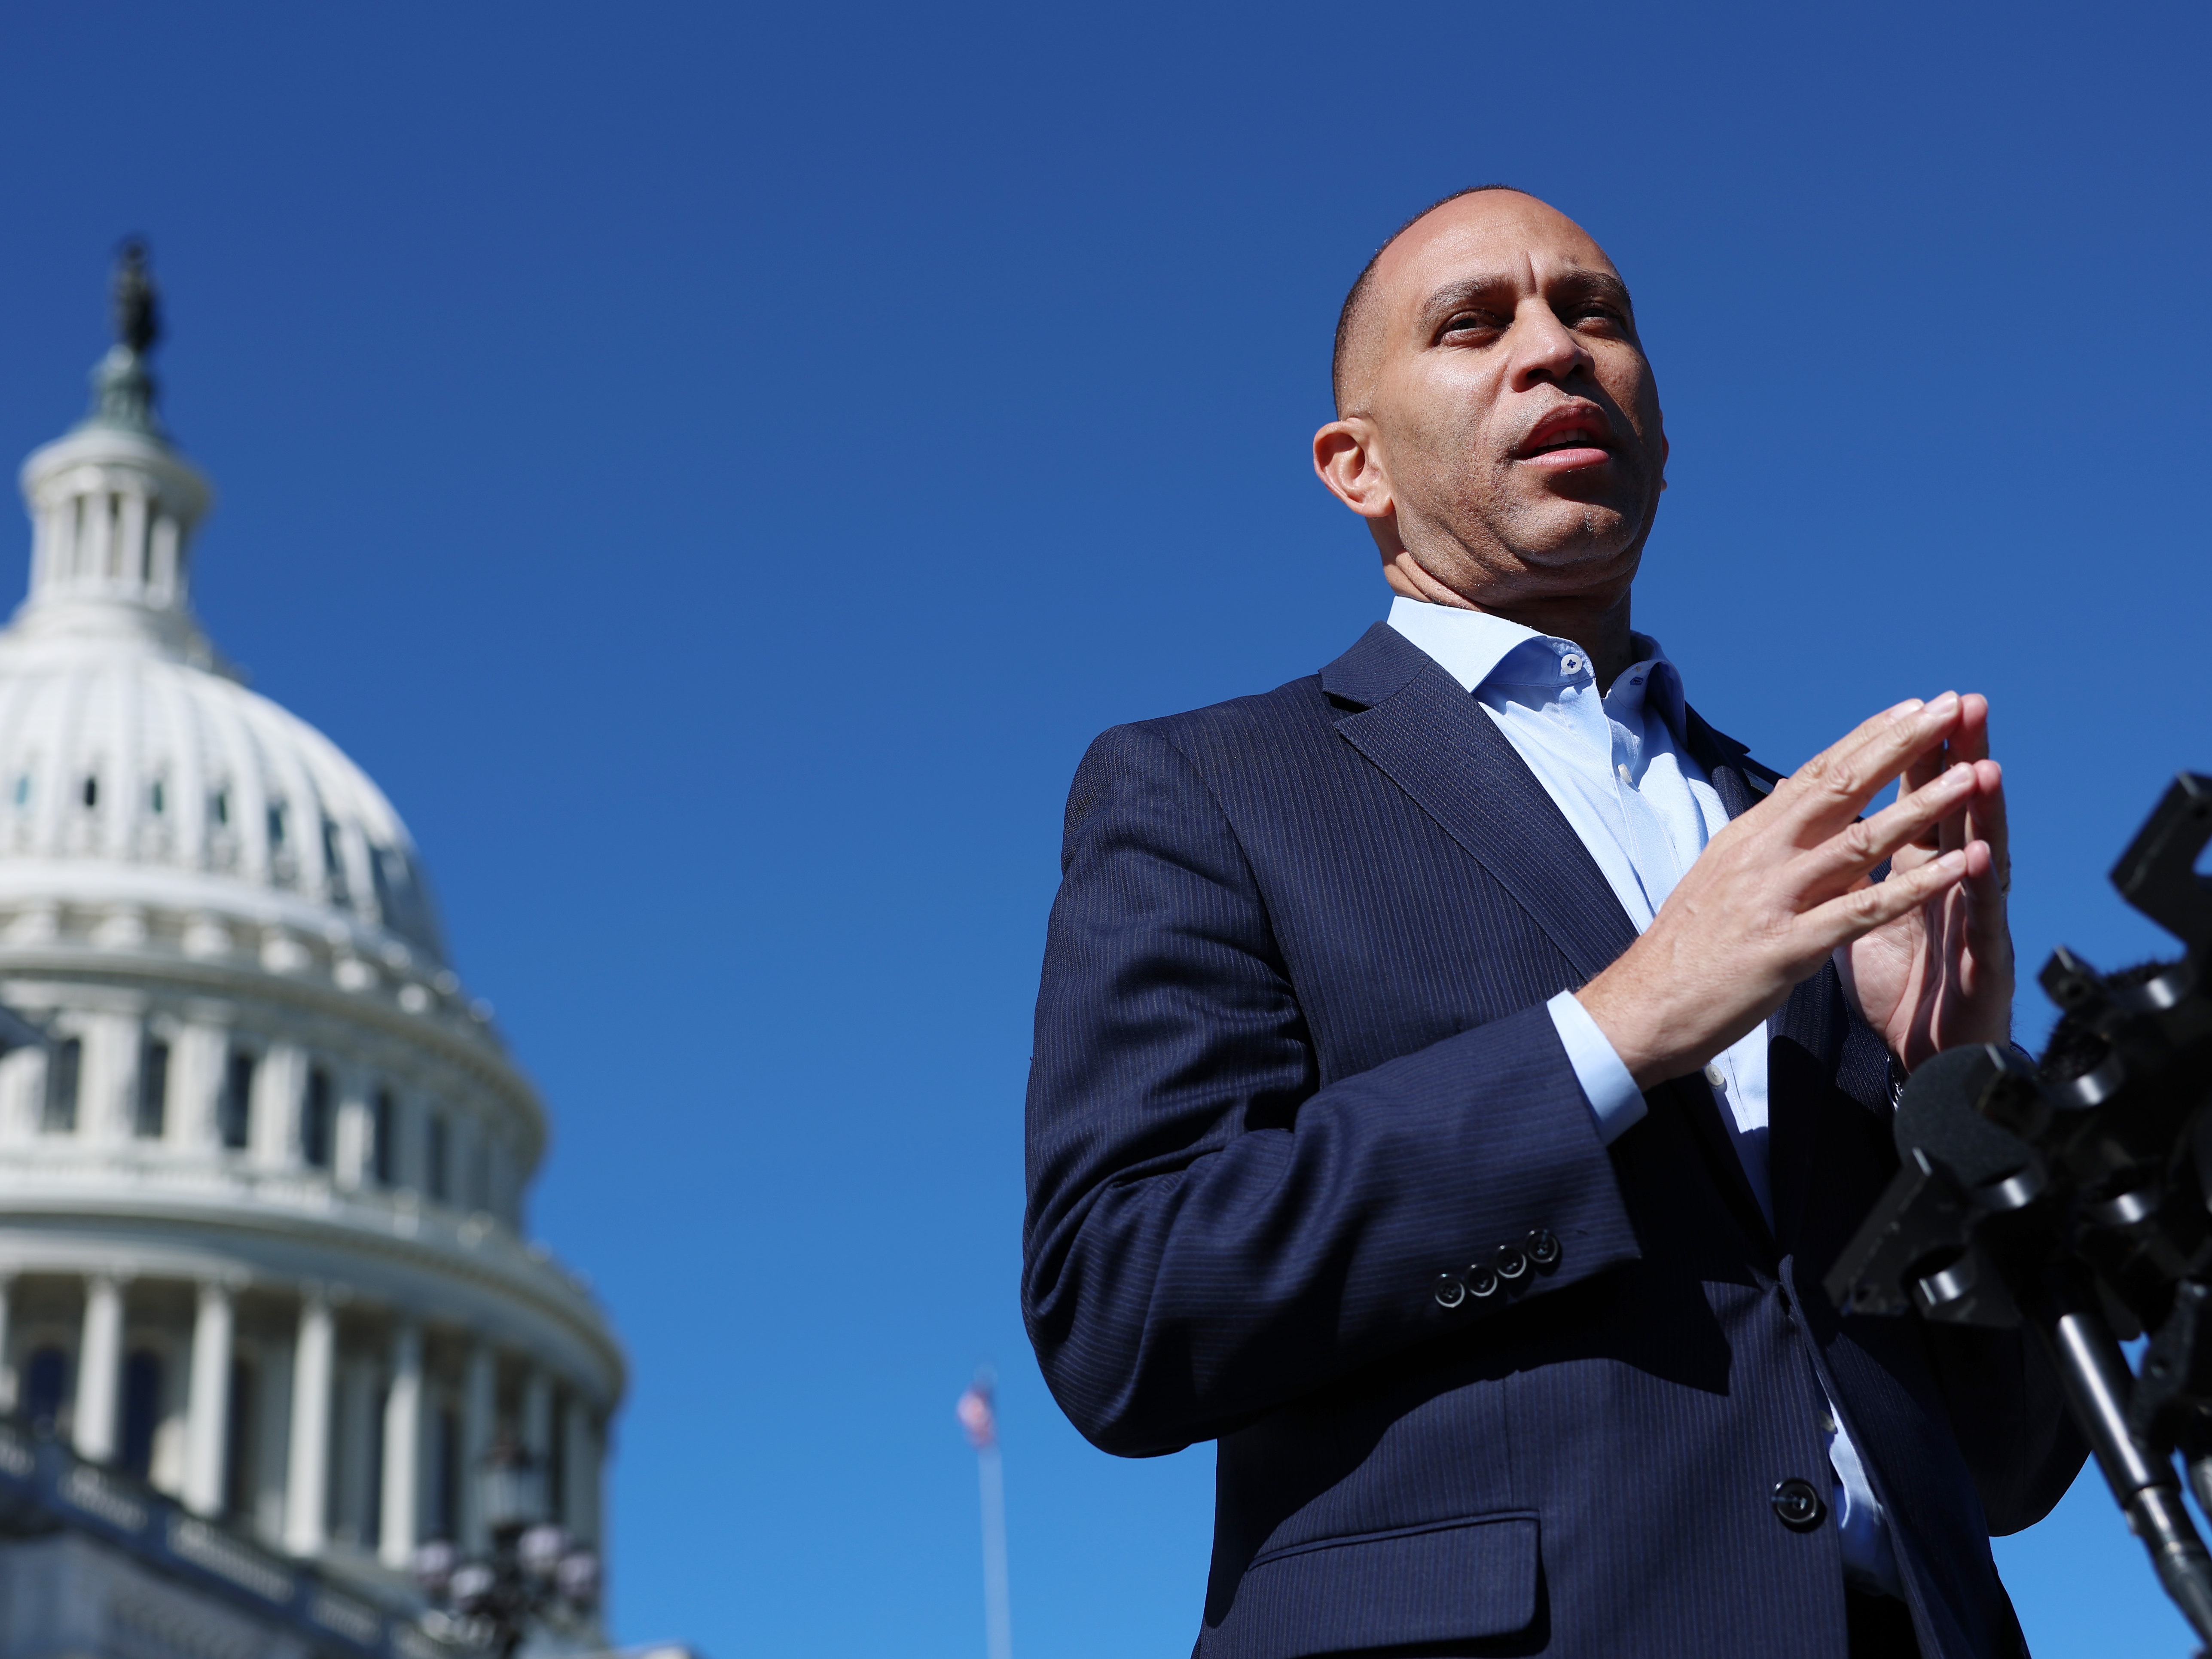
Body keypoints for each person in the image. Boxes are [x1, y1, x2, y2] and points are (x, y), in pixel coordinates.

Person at [1019, 186, 2084, 1659]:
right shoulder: (1208, 787)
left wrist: (1945, 1102)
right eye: (1474, 325)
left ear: (1663, 432)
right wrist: (1615, 1031)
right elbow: (1125, 1305)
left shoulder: (1805, 844)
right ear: (1355, 468)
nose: (1557, 349)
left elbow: (2014, 1468)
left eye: (1597, 314)